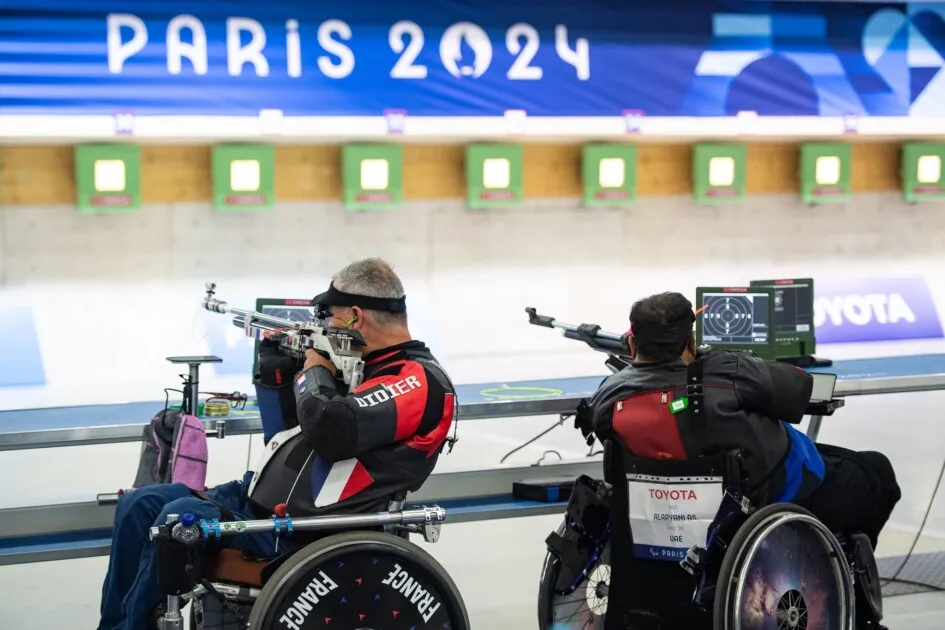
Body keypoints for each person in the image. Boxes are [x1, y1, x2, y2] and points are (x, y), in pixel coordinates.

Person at [98, 258, 457, 630]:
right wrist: (276, 373)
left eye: (329, 316)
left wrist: (314, 369)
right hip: (255, 503)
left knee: (178, 516)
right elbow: (287, 435)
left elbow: (330, 429)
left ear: (354, 316)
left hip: (302, 531)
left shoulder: (417, 378)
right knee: (139, 504)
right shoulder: (359, 366)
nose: (326, 325)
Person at [586, 291, 901, 552]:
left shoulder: (608, 396)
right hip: (767, 501)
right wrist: (724, 362)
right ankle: (843, 579)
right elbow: (798, 388)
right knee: (879, 473)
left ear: (632, 344)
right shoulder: (725, 372)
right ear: (691, 342)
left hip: (664, 515)